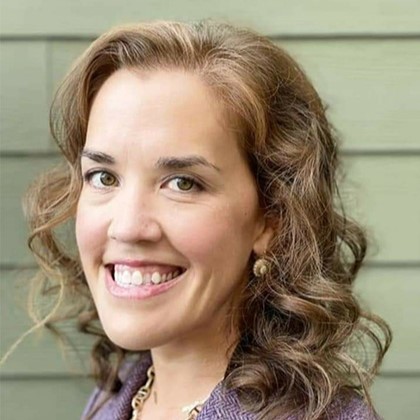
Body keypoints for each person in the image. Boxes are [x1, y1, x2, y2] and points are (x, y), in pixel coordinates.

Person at [18, 19, 392, 419]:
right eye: (104, 177)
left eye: (182, 183)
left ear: (272, 217)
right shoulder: (117, 399)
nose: (126, 226)